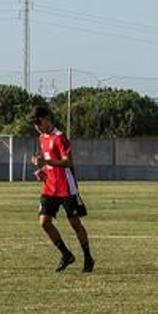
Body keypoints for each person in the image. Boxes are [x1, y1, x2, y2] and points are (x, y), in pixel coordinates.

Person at [30, 105, 93, 273]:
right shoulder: (42, 138)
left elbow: (67, 162)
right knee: (44, 222)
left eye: (38, 121)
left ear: (47, 118)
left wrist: (46, 163)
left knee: (75, 224)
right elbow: (48, 160)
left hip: (66, 187)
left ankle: (88, 257)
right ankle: (66, 254)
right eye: (34, 123)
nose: (36, 125)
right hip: (50, 186)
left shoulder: (60, 137)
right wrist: (42, 171)